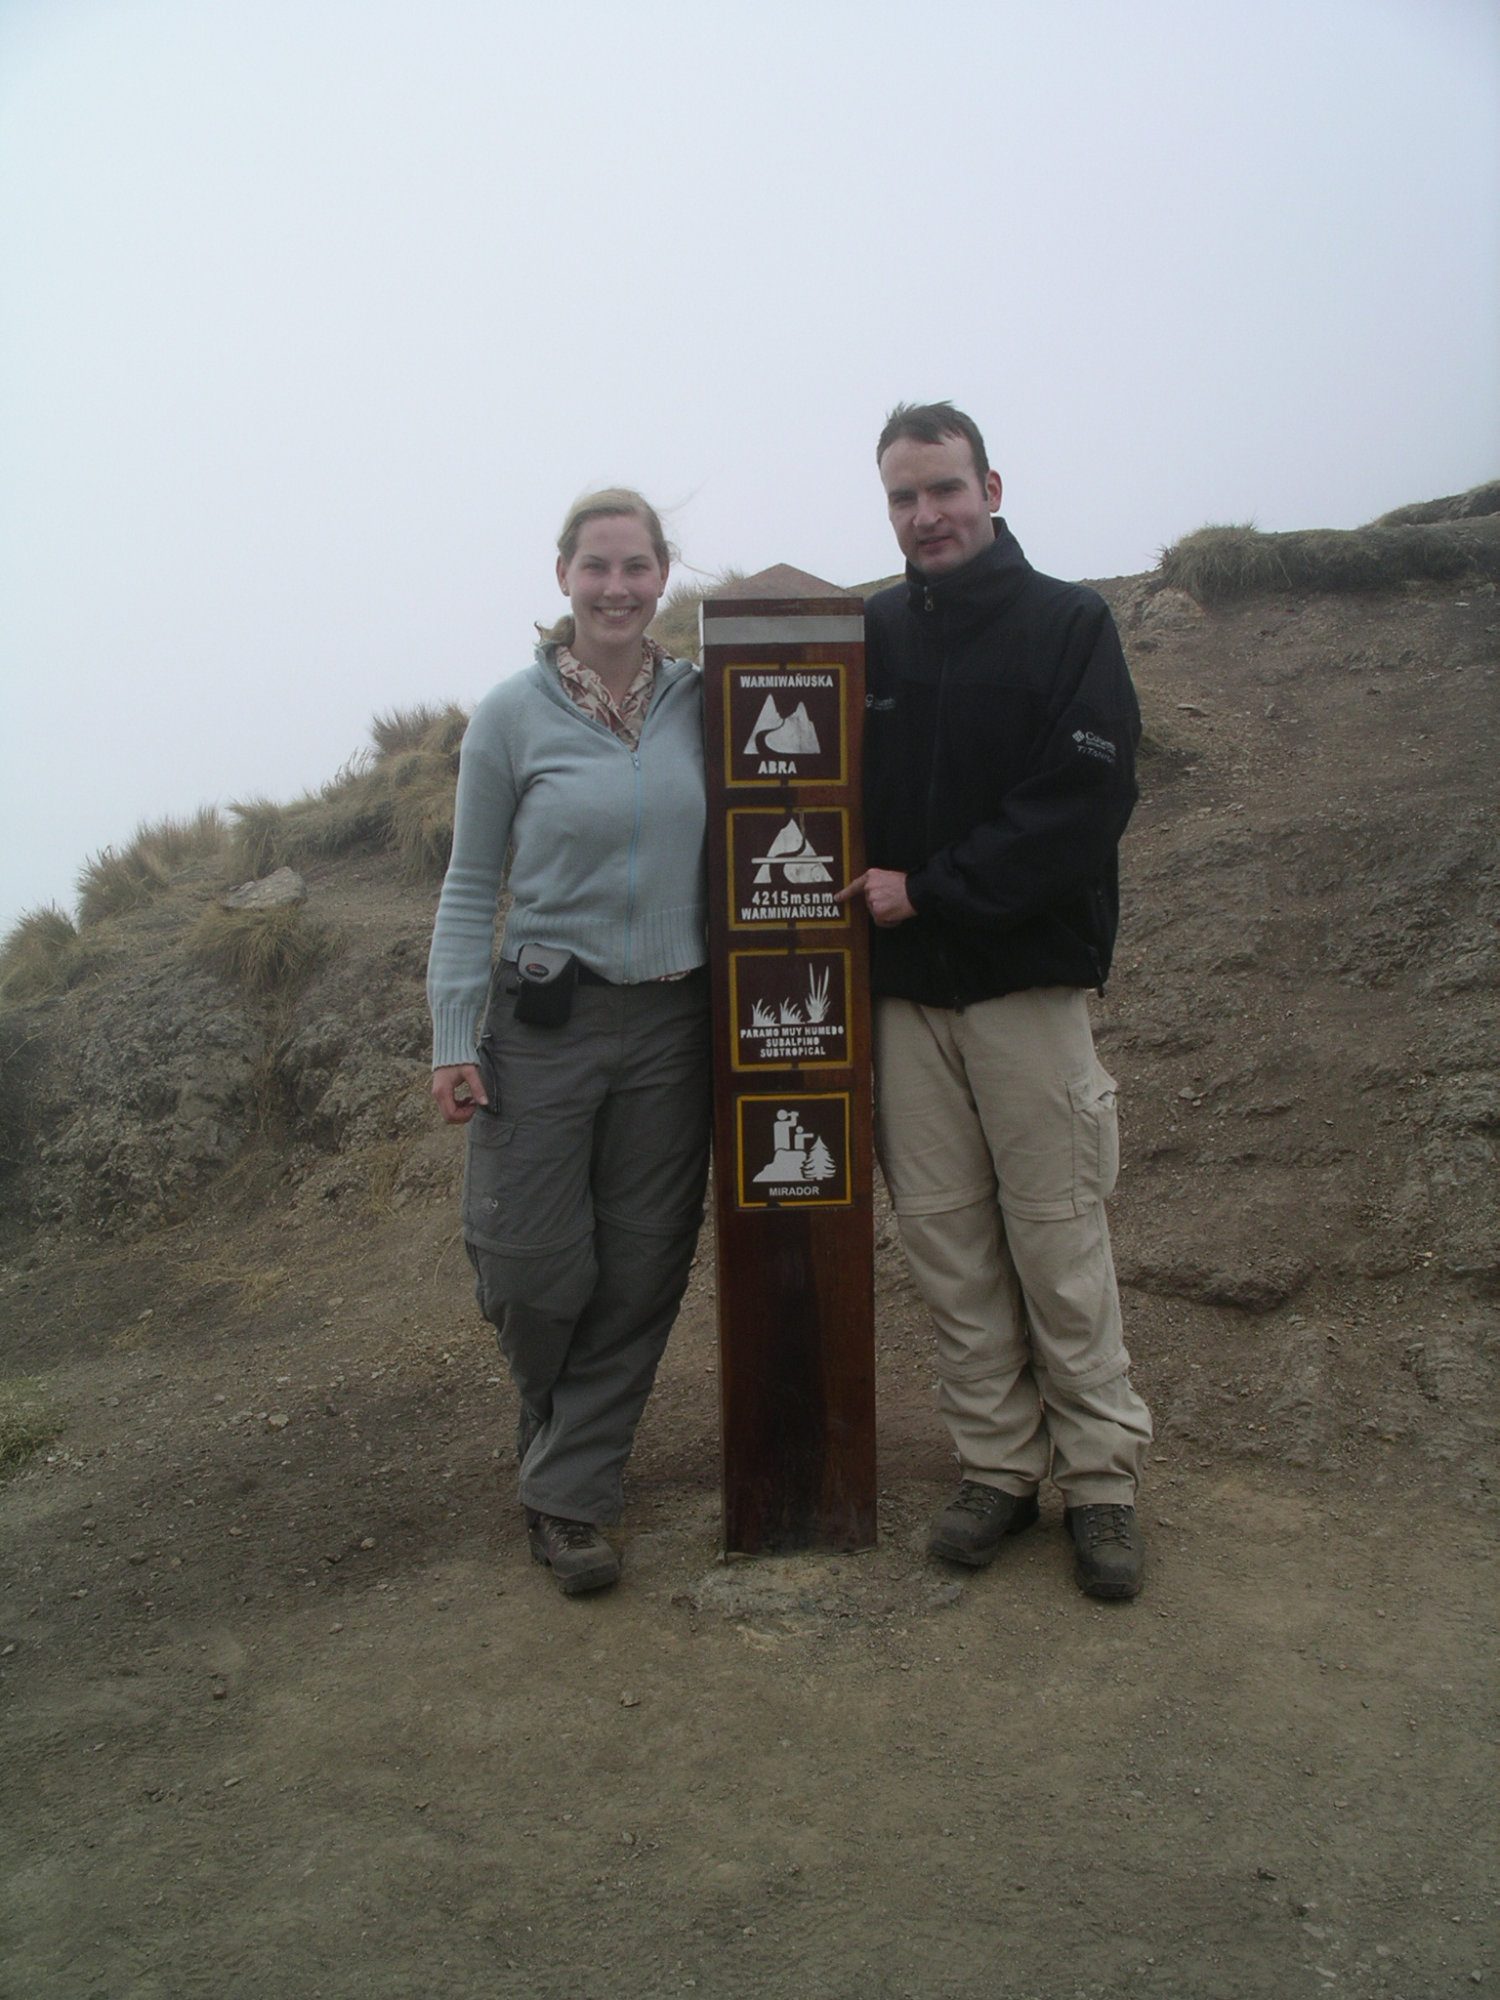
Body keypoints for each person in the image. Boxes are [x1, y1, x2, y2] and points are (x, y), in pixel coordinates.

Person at [839, 402, 1153, 1600]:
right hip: (906, 1002)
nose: (925, 517)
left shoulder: (1070, 624)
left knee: (1059, 1232)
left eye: (943, 490)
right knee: (949, 1242)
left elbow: (1082, 804)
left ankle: (1104, 1479)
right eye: (903, 500)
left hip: (1024, 986)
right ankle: (998, 1466)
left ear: (992, 486)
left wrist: (934, 888)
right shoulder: (869, 634)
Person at [427, 488, 710, 1596]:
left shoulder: (700, 701)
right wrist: (454, 1032)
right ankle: (558, 1426)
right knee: (534, 1263)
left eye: (637, 566)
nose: (618, 587)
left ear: (663, 575)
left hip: (675, 1026)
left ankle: (568, 1496)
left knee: (641, 1267)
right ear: (562, 577)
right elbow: (467, 885)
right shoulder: (510, 714)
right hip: (544, 1023)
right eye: (596, 566)